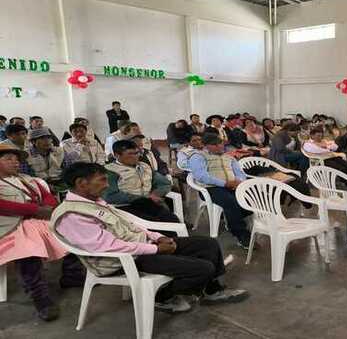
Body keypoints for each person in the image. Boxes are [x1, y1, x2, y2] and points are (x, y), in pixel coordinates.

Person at [52, 162, 248, 313]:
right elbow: (109, 247)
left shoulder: (94, 201)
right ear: (81, 183)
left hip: (140, 248)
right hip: (120, 260)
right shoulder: (72, 215)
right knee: (203, 268)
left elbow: (130, 224)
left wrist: (158, 237)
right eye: (102, 180)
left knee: (208, 245)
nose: (106, 186)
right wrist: (155, 248)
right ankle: (162, 296)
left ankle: (212, 291)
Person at [0, 144, 84, 321]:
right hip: (10, 227)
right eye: (8, 158)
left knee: (73, 233)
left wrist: (48, 207)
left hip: (36, 222)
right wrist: (35, 209)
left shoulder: (28, 179)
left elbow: (48, 197)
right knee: (29, 252)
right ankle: (40, 298)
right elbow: (3, 206)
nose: (15, 162)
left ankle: (72, 275)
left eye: (16, 159)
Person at [188, 134, 253, 248]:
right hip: (211, 188)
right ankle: (241, 235)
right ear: (206, 146)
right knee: (230, 202)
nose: (220, 146)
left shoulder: (229, 156)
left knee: (250, 198)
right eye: (215, 145)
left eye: (221, 143)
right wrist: (225, 183)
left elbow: (240, 173)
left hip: (233, 186)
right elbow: (201, 176)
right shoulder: (198, 156)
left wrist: (239, 182)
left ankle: (231, 219)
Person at [103, 140, 180, 230]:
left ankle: (175, 241)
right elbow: (111, 196)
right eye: (131, 154)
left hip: (147, 203)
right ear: (117, 155)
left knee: (172, 220)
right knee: (156, 225)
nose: (136, 156)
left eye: (137, 153)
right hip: (124, 206)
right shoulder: (110, 171)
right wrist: (144, 197)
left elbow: (165, 183)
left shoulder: (144, 166)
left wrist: (155, 194)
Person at [26, 128, 67, 193]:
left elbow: (66, 168)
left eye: (49, 138)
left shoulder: (59, 151)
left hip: (59, 181)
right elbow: (26, 175)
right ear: (33, 142)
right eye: (42, 139)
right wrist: (44, 185)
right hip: (38, 184)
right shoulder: (27, 155)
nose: (47, 141)